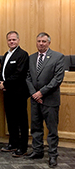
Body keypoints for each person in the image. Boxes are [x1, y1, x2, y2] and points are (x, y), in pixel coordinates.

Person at [25, 32, 65, 168]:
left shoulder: (58, 57)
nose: (41, 43)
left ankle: (53, 155)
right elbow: (28, 77)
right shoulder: (31, 58)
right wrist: (34, 94)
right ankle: (37, 151)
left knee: (52, 130)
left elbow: (57, 79)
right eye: (38, 41)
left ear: (49, 42)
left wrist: (41, 93)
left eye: (43, 41)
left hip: (50, 100)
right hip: (35, 100)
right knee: (36, 128)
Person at [0, 31, 29, 158]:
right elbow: (3, 71)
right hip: (8, 93)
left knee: (21, 121)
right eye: (9, 40)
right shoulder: (7, 54)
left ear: (18, 40)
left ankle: (23, 147)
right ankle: (13, 143)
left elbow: (19, 74)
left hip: (19, 93)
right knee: (11, 119)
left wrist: (5, 84)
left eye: (14, 40)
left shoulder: (22, 54)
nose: (11, 42)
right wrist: (3, 83)